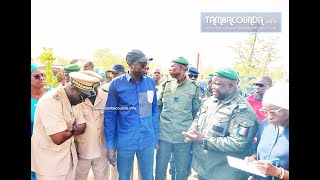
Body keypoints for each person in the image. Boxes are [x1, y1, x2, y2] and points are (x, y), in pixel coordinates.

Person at [182, 67, 260, 180]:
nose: (212, 86)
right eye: (212, 83)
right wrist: (192, 131)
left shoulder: (242, 110)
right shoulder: (209, 101)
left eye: (217, 84)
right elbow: (198, 118)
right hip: (203, 167)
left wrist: (204, 140)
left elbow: (238, 143)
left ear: (231, 86)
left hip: (224, 172)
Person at [31, 71, 100, 179]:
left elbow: (82, 126)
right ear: (72, 89)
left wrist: (69, 128)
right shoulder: (50, 101)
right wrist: (72, 128)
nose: (83, 100)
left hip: (69, 160)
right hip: (50, 165)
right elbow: (58, 138)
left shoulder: (74, 100)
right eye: (82, 96)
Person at [104, 49, 158, 180]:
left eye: (147, 63)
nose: (146, 66)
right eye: (142, 63)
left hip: (147, 140)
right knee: (123, 177)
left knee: (148, 177)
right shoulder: (116, 84)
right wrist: (110, 145)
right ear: (131, 64)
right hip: (125, 141)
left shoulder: (150, 82)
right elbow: (110, 115)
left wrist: (155, 137)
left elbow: (154, 111)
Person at [156, 57, 201, 180]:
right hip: (164, 136)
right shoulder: (166, 85)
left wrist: (192, 133)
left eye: (172, 67)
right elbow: (157, 108)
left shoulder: (193, 87)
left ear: (181, 68)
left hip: (183, 137)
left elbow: (196, 112)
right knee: (160, 170)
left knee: (181, 172)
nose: (169, 69)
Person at [244, 82, 289, 180]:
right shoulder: (265, 125)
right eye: (265, 111)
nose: (269, 117)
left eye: (274, 112)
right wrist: (253, 158)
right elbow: (258, 149)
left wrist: (278, 172)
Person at [74, 70, 110, 180]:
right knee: (79, 177)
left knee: (102, 177)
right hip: (83, 149)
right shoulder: (76, 98)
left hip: (101, 149)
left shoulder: (106, 96)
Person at [31, 64, 52, 180]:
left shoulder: (52, 94)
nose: (42, 78)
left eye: (42, 75)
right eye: (37, 76)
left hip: (52, 145)